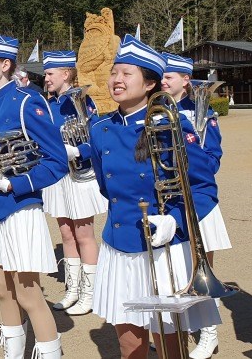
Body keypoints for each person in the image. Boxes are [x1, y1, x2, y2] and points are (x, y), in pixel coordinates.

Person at [87, 35, 221, 359]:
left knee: (169, 344)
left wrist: (173, 222)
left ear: (149, 84)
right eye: (114, 72)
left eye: (126, 73)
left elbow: (204, 189)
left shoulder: (171, 123)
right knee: (129, 345)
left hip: (162, 249)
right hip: (120, 244)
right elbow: (108, 189)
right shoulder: (100, 128)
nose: (116, 79)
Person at [0, 31, 67, 358]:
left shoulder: (27, 101)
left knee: (27, 293)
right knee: (1, 289)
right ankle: (13, 353)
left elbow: (56, 162)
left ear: (5, 64)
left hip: (18, 207)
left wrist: (13, 184)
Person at [160, 53, 231, 358]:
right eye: (161, 77)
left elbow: (213, 157)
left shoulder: (202, 112)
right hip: (168, 200)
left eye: (169, 77)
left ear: (186, 80)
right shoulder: (156, 110)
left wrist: (192, 163)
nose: (163, 81)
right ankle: (183, 326)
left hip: (198, 199)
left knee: (203, 268)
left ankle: (209, 332)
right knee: (177, 269)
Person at [41, 50, 107, 317]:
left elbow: (97, 139)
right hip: (59, 176)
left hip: (80, 174)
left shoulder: (84, 101)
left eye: (49, 74)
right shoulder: (49, 104)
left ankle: (90, 292)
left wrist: (78, 151)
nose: (45, 79)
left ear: (66, 74)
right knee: (66, 234)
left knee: (84, 234)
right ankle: (72, 288)